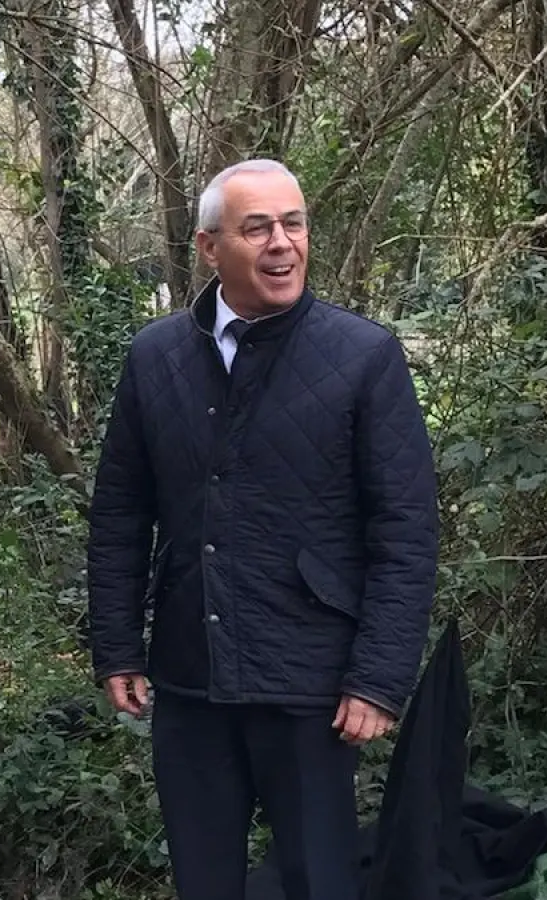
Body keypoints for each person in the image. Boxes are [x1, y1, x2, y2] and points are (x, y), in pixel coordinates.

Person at [86, 158, 439, 899]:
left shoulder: (363, 357)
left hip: (310, 682)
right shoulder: (156, 357)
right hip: (190, 678)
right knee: (204, 883)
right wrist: (117, 643)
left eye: (294, 223)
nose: (283, 243)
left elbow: (405, 531)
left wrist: (377, 678)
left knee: (319, 882)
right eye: (258, 228)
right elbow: (121, 511)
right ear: (211, 248)